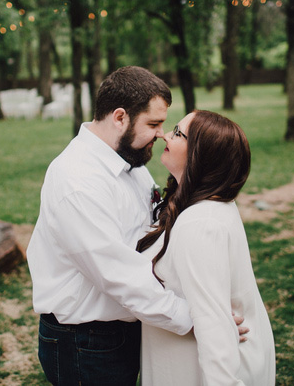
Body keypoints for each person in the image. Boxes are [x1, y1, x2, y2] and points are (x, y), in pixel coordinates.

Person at [26, 66, 194, 385]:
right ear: (120, 117)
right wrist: (192, 318)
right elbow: (119, 276)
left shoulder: (129, 162)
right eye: (153, 124)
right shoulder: (77, 180)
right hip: (85, 342)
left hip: (121, 329)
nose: (161, 134)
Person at [137, 110, 276, 385]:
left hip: (200, 372)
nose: (165, 134)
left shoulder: (200, 223)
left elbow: (213, 324)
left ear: (201, 155)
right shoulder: (209, 205)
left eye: (177, 133)